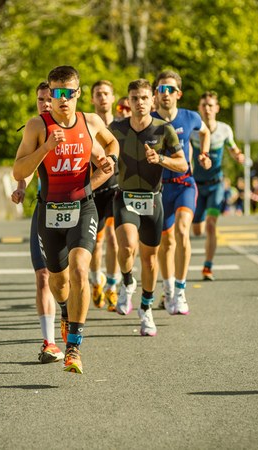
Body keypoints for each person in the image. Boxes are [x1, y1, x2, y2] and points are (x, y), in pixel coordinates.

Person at [13, 66, 118, 374]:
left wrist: (108, 163)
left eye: (68, 93)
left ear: (77, 93)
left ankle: (73, 346)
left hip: (83, 206)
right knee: (58, 281)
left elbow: (112, 144)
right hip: (50, 211)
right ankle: (63, 311)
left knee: (81, 269)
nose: (61, 100)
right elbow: (18, 171)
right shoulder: (37, 126)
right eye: (56, 93)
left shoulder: (91, 121)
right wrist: (47, 148)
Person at [110, 78, 187, 336]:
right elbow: (99, 152)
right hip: (125, 198)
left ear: (152, 100)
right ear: (128, 102)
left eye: (144, 98)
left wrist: (161, 159)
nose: (140, 103)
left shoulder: (164, 130)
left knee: (150, 260)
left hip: (153, 200)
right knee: (128, 246)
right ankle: (128, 281)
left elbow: (183, 165)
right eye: (135, 98)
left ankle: (146, 308)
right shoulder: (116, 128)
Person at [10, 82, 63, 364]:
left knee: (66, 278)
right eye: (40, 99)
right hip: (45, 208)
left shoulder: (73, 126)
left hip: (76, 208)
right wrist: (21, 188)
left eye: (49, 98)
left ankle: (69, 316)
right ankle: (49, 342)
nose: (45, 103)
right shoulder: (35, 130)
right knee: (43, 274)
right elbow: (25, 167)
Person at [152, 70, 211, 315]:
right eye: (161, 89)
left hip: (185, 183)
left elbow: (205, 131)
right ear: (155, 94)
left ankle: (180, 289)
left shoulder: (190, 117)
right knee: (167, 242)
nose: (166, 94)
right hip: (160, 187)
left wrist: (203, 153)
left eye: (170, 89)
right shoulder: (149, 119)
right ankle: (167, 291)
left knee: (183, 230)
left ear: (179, 93)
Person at [189, 91, 244, 281]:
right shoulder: (193, 129)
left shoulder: (224, 129)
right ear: (199, 108)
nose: (207, 109)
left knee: (211, 226)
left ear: (217, 108)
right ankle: (199, 222)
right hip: (196, 184)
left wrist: (238, 156)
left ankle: (207, 267)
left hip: (216, 185)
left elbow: (232, 147)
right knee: (197, 230)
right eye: (204, 105)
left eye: (211, 105)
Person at [88, 80, 121, 311]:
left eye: (106, 94)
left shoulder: (121, 125)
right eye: (98, 94)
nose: (102, 98)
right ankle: (95, 280)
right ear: (92, 99)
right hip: (94, 189)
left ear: (113, 98)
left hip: (116, 188)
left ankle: (111, 285)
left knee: (114, 237)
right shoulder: (88, 125)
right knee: (96, 243)